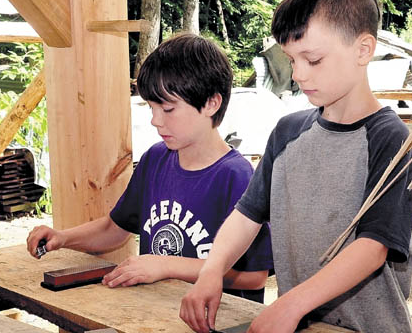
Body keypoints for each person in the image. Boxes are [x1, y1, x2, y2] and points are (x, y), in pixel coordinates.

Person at [180, 0, 412, 333]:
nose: (298, 74)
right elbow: (247, 215)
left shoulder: (388, 138)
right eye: (292, 60)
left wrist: (288, 304)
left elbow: (373, 246)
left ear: (363, 50)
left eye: (313, 59)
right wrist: (212, 270)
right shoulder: (288, 133)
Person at [26, 33, 272, 300]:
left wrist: (165, 266)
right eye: (151, 107)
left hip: (218, 328)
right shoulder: (155, 159)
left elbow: (254, 277)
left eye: (167, 109)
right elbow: (114, 228)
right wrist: (62, 238)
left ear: (212, 103)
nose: (155, 120)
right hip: (157, 315)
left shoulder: (236, 177)